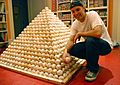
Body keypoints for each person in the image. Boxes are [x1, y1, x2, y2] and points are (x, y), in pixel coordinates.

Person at [62, 0, 113, 82]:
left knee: (90, 40)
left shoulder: (92, 14)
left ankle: (93, 69)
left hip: (105, 45)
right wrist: (65, 52)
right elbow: (71, 40)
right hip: (91, 45)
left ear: (84, 8)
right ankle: (90, 60)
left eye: (78, 9)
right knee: (73, 48)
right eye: (73, 11)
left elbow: (98, 32)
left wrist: (80, 33)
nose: (76, 13)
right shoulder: (75, 24)